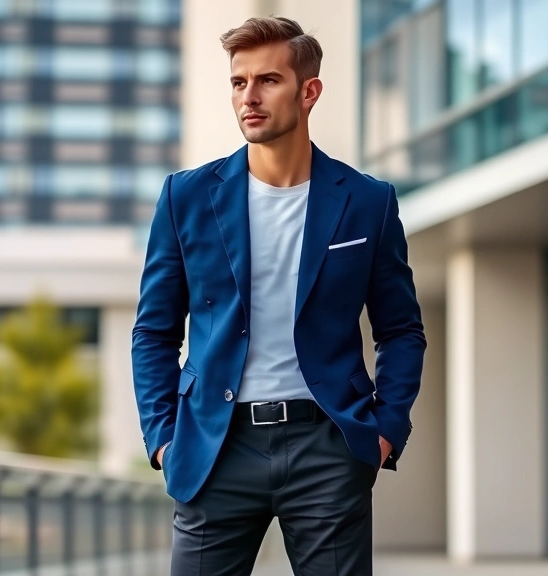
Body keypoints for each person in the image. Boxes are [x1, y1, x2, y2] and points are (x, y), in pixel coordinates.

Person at [131, 15, 426, 576]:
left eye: (268, 80)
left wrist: (386, 430)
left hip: (327, 447)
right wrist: (164, 437)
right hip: (214, 447)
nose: (250, 96)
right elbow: (154, 331)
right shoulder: (185, 197)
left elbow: (400, 330)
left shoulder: (368, 202)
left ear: (308, 92)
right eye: (239, 82)